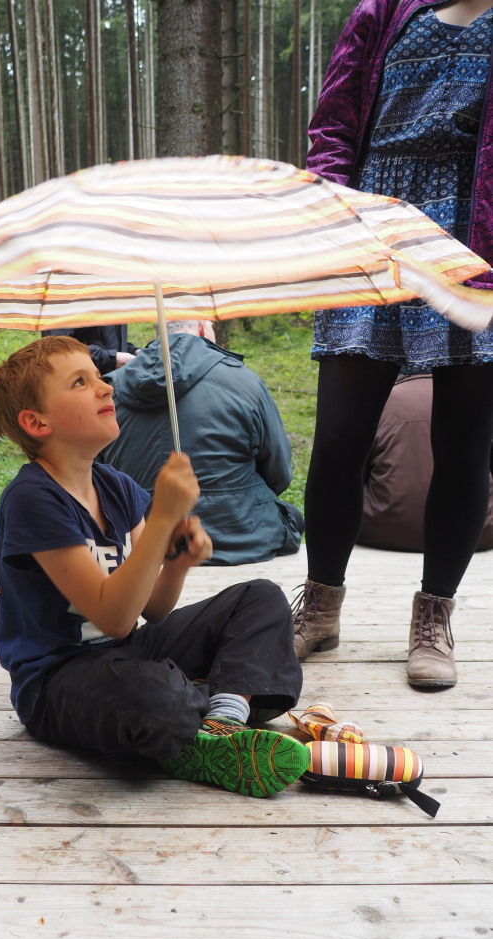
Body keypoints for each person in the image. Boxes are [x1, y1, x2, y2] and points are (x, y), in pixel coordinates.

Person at [0, 335, 307, 800]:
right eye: (80, 382)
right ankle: (204, 709)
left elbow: (152, 610)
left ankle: (221, 719)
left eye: (99, 376)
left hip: (128, 652)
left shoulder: (115, 486)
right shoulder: (33, 499)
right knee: (150, 693)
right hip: (59, 681)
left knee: (260, 598)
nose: (105, 387)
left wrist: (175, 564)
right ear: (37, 422)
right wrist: (161, 521)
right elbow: (113, 617)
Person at [292, 0, 493, 690]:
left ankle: (434, 617)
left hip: (472, 236)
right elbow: (334, 123)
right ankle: (320, 607)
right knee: (339, 437)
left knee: (463, 445)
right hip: (373, 228)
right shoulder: (384, 12)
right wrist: (332, 212)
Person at [100, 319, 303, 565]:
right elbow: (279, 473)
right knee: (293, 516)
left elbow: (96, 474)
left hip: (141, 536)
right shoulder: (244, 380)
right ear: (202, 328)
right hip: (242, 533)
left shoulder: (108, 388)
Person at [358, 375, 493, 551]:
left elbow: (354, 471)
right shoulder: (477, 399)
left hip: (382, 528)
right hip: (479, 532)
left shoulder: (380, 401)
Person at [41, 324, 139, 374]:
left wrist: (133, 351)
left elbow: (110, 340)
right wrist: (111, 358)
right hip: (82, 384)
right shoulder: (65, 295)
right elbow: (58, 347)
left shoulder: (115, 296)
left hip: (115, 383)